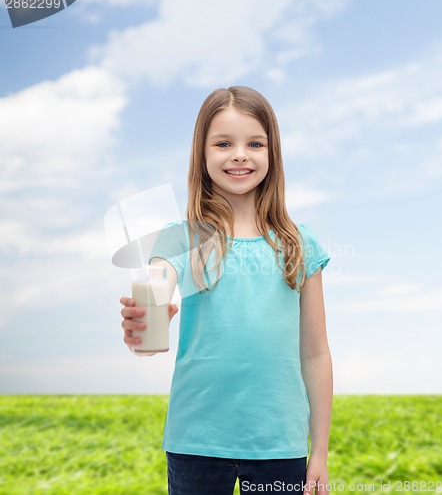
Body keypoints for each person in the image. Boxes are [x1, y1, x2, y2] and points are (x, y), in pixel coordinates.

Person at [120, 86, 332, 495]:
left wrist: (319, 451)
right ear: (202, 154)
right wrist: (146, 325)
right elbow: (154, 306)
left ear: (273, 154)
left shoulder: (299, 244)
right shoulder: (179, 240)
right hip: (195, 443)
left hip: (278, 445)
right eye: (223, 143)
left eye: (254, 143)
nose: (239, 154)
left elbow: (315, 352)